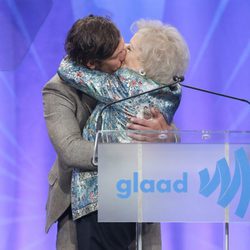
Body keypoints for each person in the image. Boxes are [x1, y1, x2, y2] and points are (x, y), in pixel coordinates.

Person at [57, 18, 189, 249]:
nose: (124, 46)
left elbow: (68, 68)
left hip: (103, 198)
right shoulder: (169, 92)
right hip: (131, 194)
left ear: (142, 67)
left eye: (132, 47)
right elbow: (70, 149)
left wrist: (167, 137)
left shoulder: (125, 83)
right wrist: (125, 154)